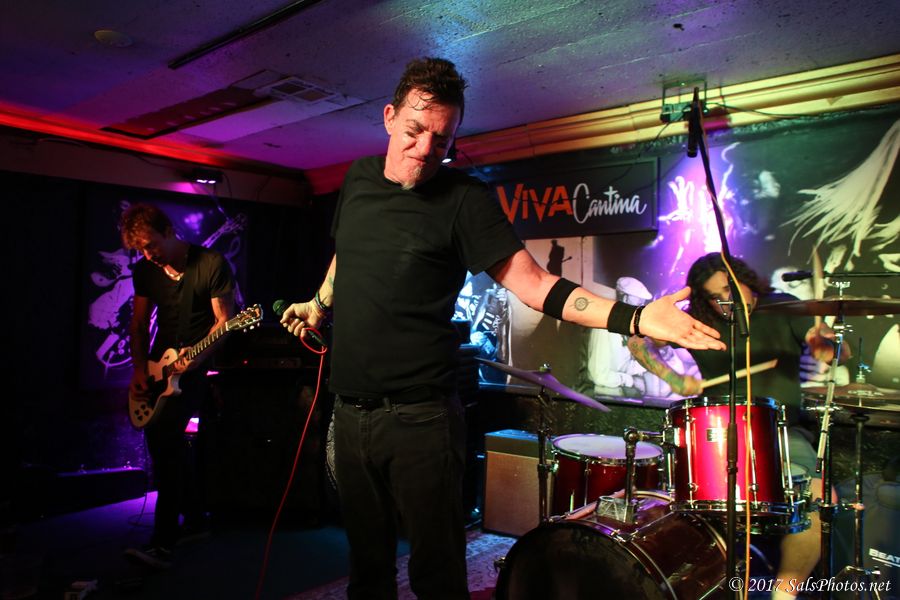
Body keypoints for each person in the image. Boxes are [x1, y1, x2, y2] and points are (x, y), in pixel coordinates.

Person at [279, 57, 724, 599]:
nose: (425, 149)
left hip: (420, 418)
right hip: (349, 412)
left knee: (436, 574)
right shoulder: (357, 180)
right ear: (390, 117)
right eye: (415, 130)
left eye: (442, 139)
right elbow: (345, 255)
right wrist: (319, 303)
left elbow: (535, 284)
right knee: (366, 569)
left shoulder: (464, 201)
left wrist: (633, 316)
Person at [627, 252, 850, 599]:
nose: (725, 301)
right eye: (714, 296)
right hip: (716, 435)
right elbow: (637, 342)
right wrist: (672, 378)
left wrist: (825, 343)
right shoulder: (697, 320)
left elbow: (833, 353)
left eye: (730, 289)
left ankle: (784, 593)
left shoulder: (783, 307)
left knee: (820, 498)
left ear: (746, 281)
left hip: (781, 433)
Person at [120, 203, 235, 569]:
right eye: (140, 249)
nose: (147, 255)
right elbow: (139, 325)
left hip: (195, 369)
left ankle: (164, 541)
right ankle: (196, 518)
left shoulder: (210, 264)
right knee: (165, 445)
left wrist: (197, 358)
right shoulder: (146, 271)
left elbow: (225, 323)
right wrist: (140, 369)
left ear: (169, 231)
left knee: (166, 440)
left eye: (151, 245)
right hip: (159, 366)